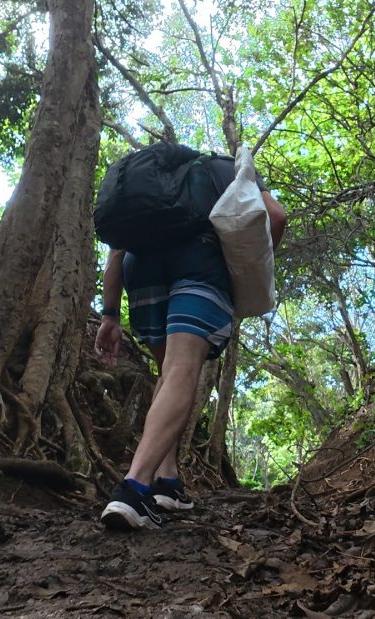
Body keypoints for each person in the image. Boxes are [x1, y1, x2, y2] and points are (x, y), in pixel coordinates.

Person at [94, 144, 286, 531]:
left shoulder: (149, 192)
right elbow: (276, 216)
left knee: (168, 373)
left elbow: (115, 257)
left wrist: (109, 315)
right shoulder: (224, 169)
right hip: (199, 262)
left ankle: (169, 483)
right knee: (182, 369)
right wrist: (249, 272)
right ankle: (133, 488)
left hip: (141, 269)